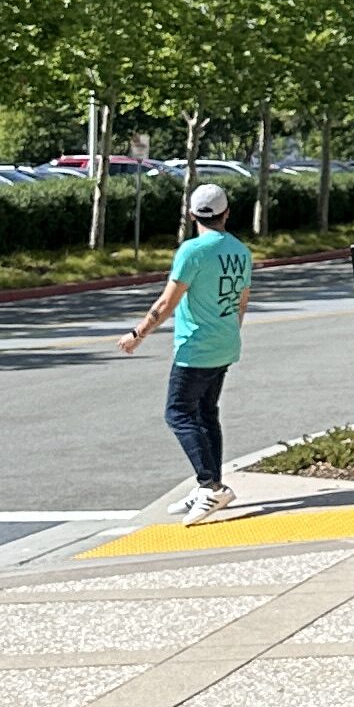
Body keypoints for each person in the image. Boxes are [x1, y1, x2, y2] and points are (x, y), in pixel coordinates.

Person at [121, 181, 254, 519]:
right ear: (227, 213)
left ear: (192, 213)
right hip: (225, 343)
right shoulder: (240, 250)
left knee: (178, 413)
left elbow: (168, 301)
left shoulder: (192, 251)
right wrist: (228, 332)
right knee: (206, 413)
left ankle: (211, 486)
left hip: (196, 347)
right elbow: (242, 301)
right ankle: (209, 485)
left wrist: (138, 333)